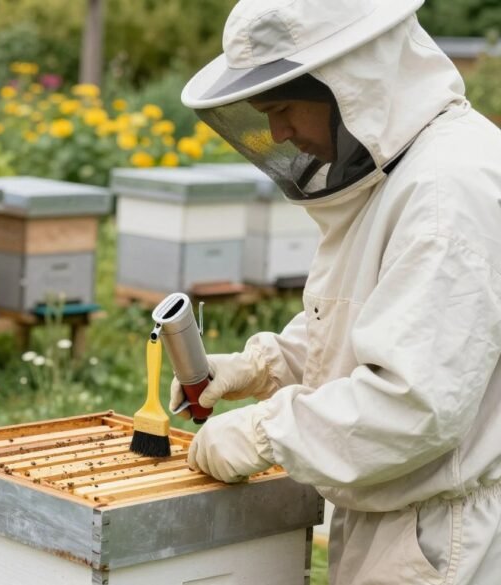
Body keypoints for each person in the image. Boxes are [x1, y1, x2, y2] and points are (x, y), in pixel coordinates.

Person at [173, 0, 501, 583]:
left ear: (350, 85)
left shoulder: (448, 192)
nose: (276, 133)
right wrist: (265, 365)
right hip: (403, 517)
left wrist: (265, 430)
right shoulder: (405, 173)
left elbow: (412, 403)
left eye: (282, 108)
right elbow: (375, 320)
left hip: (445, 543)